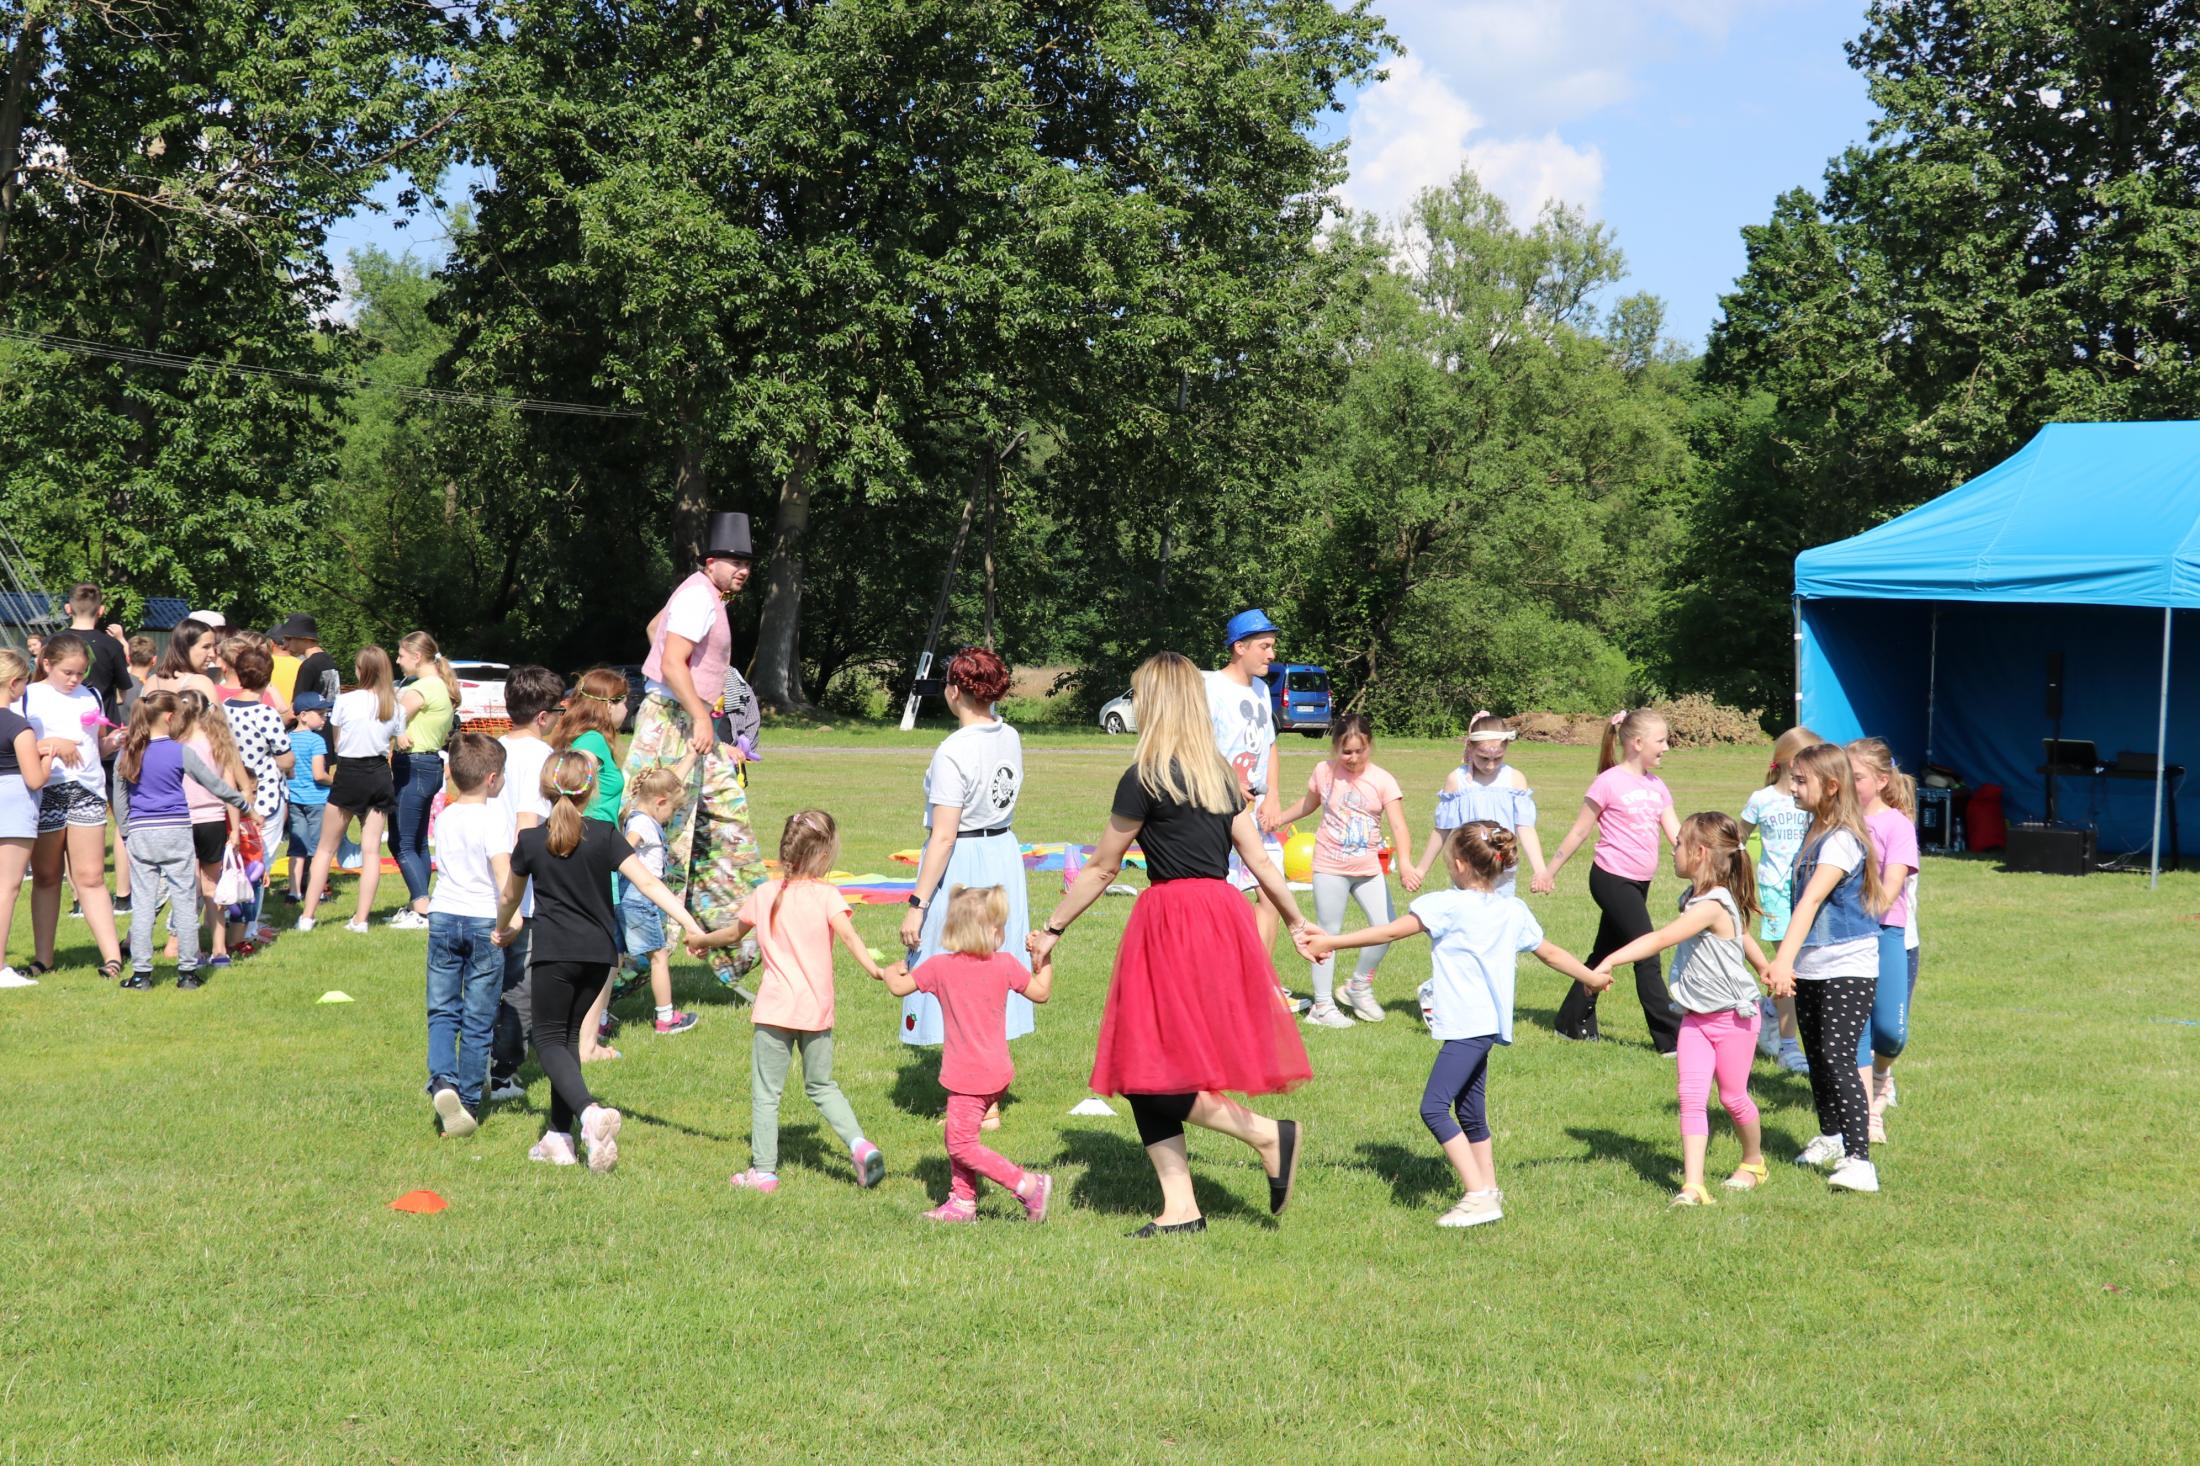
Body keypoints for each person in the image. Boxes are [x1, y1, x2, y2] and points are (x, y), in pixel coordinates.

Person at [1032, 651, 1312, 1239]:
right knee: (1150, 1068)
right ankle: (1181, 1208)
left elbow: (1102, 867)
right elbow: (1260, 859)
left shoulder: (1144, 777)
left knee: (1148, 1070)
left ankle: (1267, 1134)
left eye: (1138, 695)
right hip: (1221, 918)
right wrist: (1293, 921)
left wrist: (1052, 928)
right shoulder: (1218, 773)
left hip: (1173, 924)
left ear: (1157, 703)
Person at [1300, 821, 1603, 1228]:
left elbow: (1390, 932)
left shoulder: (1446, 905)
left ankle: (1477, 1196)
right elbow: (1550, 953)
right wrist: (1590, 976)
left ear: (1459, 864)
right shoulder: (1513, 909)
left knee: (1434, 1108)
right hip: (1487, 1026)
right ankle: (1489, 1189)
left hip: (1467, 1026)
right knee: (1470, 1111)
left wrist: (1331, 941)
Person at [493, 750, 703, 1171]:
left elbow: (510, 896)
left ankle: (588, 1113)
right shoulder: (605, 834)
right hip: (598, 956)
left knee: (548, 1040)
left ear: (545, 789)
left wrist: (503, 928)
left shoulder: (531, 840)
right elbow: (648, 883)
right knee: (568, 1039)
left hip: (555, 953)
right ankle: (558, 1137)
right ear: (591, 791)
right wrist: (690, 923)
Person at [690, 809, 897, 1194]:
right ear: (823, 855)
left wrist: (700, 940)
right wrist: (876, 970)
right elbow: (850, 938)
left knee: (767, 1094)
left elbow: (732, 935)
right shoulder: (827, 896)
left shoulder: (765, 894)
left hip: (774, 1011)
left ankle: (764, 1173)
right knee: (822, 1086)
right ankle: (860, 1145)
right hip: (816, 1012)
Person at [1593, 813, 1772, 1206]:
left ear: (1700, 853)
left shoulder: (1712, 904)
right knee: (1691, 1097)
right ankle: (1693, 1185)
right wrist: (1763, 966)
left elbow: (1661, 938)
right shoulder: (1696, 897)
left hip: (1734, 1019)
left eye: (1678, 844)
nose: (1672, 849)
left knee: (1733, 1098)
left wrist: (1610, 960)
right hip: (1695, 1020)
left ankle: (1754, 1161)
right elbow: (1742, 934)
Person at [620, 511, 768, 985]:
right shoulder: (698, 597)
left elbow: (655, 630)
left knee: (728, 826)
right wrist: (701, 715)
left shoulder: (701, 595)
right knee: (659, 840)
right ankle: (625, 969)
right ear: (711, 562)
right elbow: (670, 661)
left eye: (747, 562)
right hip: (672, 725)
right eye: (733, 561)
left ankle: (736, 943)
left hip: (686, 719)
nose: (742, 569)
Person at [896, 647, 1032, 1125]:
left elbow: (945, 835)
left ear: (954, 691)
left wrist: (917, 903)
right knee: (993, 974)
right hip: (1003, 855)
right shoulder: (1009, 734)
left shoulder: (954, 750)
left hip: (966, 863)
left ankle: (980, 1101)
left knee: (962, 976)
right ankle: (988, 1093)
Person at [879, 885, 1056, 1222]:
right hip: (996, 1073)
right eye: (1001, 926)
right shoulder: (1005, 964)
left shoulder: (939, 967)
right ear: (990, 931)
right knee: (959, 1135)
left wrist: (890, 971)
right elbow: (1042, 992)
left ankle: (1028, 1185)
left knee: (961, 1144)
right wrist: (1043, 959)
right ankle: (963, 1202)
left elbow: (899, 986)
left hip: (968, 1077)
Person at [1765, 743, 1890, 1195]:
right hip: (1814, 965)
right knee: (1818, 1056)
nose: (1792, 788)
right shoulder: (1813, 829)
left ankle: (1860, 1161)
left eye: (1802, 781)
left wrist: (1782, 960)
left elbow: (1813, 900)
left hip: (1847, 965)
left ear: (1832, 786)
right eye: (1792, 779)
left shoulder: (1840, 839)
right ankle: (1831, 1136)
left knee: (1838, 1056)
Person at [1536, 708, 1682, 1054]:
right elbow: (1579, 831)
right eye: (1661, 741)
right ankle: (1671, 1039)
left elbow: (1677, 834)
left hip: (1640, 882)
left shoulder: (1657, 786)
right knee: (1647, 953)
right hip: (1611, 879)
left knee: (1605, 953)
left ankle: (1571, 1021)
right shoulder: (1608, 782)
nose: (1666, 747)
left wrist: (1708, 863)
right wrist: (1548, 871)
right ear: (1637, 742)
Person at [1268, 711, 1416, 1028]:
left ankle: (1357, 985)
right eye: (1346, 752)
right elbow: (1308, 805)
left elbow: (1399, 826)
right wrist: (1278, 819)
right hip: (1329, 867)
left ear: (1369, 745)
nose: (1352, 758)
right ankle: (1322, 1006)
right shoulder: (1324, 772)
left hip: (1368, 870)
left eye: (1359, 751)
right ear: (1336, 747)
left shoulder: (1382, 780)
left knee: (1386, 928)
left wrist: (1404, 863)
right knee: (1327, 933)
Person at [113, 691, 252, 989]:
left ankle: (141, 974)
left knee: (143, 903)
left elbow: (119, 796)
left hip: (141, 833)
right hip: (176, 831)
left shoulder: (129, 751)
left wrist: (126, 831)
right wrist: (244, 804)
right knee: (185, 901)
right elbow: (214, 784)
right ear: (170, 717)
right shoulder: (180, 752)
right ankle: (187, 973)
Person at [425, 733, 514, 1139]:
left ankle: (443, 1080)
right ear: (492, 779)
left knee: (442, 1011)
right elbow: (504, 879)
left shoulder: (446, 816)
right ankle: (468, 1102)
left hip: (444, 915)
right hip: (483, 921)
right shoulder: (494, 819)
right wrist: (510, 921)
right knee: (478, 1018)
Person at [21, 632, 126, 979]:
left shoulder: (90, 695)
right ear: (46, 663)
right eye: (67, 672)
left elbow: (96, 746)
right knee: (47, 876)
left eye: (80, 673)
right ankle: (43, 958)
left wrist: (114, 742)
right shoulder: (28, 696)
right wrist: (52, 743)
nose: (74, 680)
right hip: (46, 790)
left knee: (91, 877)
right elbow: (16, 746)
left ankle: (112, 958)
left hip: (88, 790)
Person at [1205, 610, 1291, 1000]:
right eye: (1265, 646)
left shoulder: (1259, 688)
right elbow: (1198, 746)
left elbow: (1269, 745)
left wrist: (1273, 795)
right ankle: (1223, 984)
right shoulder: (1211, 689)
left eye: (1272, 646)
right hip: (1219, 808)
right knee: (1225, 900)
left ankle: (1260, 982)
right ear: (1240, 647)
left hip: (1257, 809)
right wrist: (1227, 783)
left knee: (1272, 891)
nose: (1272, 654)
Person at [488, 665, 564, 1103]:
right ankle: (501, 1072)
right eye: (557, 712)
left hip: (483, 883)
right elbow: (527, 827)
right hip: (520, 891)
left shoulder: (492, 748)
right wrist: (518, 894)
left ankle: (475, 1059)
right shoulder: (540, 757)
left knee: (487, 979)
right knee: (521, 982)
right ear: (542, 716)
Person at [551, 666, 631, 1058]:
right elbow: (567, 783)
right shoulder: (591, 742)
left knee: (603, 952)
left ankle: (578, 1035)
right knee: (604, 955)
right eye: (624, 700)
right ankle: (586, 1044)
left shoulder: (587, 737)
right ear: (608, 705)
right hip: (594, 854)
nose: (628, 708)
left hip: (591, 849)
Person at [298, 646, 403, 934]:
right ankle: (361, 920)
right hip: (379, 773)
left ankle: (307, 917)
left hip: (349, 772)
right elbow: (393, 741)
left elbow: (337, 741)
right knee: (371, 851)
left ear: (360, 670)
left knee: (325, 849)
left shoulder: (345, 701)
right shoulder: (394, 705)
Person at [1847, 738, 1916, 1144]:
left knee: (1890, 1032)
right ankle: (1868, 1115)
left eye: (1857, 777)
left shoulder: (1896, 825)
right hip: (1845, 937)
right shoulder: (1837, 822)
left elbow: (1892, 885)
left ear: (1881, 780)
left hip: (1886, 931)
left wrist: (1864, 912)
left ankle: (1882, 1074)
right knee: (1855, 1030)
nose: (1848, 783)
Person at [1740, 727, 1819, 1076]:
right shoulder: (1762, 800)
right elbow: (1738, 839)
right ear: (1790, 762)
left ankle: (1769, 1011)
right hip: (1775, 894)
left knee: (1805, 965)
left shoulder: (1814, 800)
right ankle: (1789, 1047)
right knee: (1788, 967)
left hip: (1808, 891)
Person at [1413, 712, 1546, 898]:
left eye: (1497, 758)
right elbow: (1442, 829)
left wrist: (1540, 870)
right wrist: (1421, 870)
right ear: (1470, 747)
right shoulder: (1457, 781)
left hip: (1501, 867)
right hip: (1468, 868)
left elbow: (1526, 828)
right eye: (1483, 758)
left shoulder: (1514, 780)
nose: (1490, 765)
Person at [217, 635, 294, 950]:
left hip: (231, 794)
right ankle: (248, 929)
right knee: (259, 865)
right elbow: (285, 757)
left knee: (234, 861)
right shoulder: (265, 713)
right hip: (264, 795)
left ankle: (229, 920)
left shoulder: (224, 708)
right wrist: (286, 767)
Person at [620, 765, 701, 1037]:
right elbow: (625, 847)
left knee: (615, 960)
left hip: (628, 898)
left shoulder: (636, 815)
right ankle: (666, 1018)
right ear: (660, 802)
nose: (672, 816)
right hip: (640, 898)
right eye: (673, 810)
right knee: (659, 957)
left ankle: (601, 1019)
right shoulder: (642, 823)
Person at [387, 631, 459, 929]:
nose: (398, 660)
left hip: (413, 766)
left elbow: (392, 719)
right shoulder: (440, 685)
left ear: (417, 657)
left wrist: (399, 731)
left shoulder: (423, 687)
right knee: (416, 840)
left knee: (401, 841)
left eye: (401, 655)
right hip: (429, 765)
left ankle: (422, 909)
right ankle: (419, 902)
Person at [177, 693, 253, 966]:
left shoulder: (176, 743)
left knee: (188, 889)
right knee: (213, 888)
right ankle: (220, 950)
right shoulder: (218, 743)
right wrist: (234, 829)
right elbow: (229, 788)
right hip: (213, 820)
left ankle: (192, 950)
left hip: (182, 820)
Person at [0, 649, 51, 987]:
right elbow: (34, 779)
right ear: (14, 683)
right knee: (7, 888)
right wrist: (49, 757)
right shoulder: (19, 726)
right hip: (14, 804)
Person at [283, 693, 334, 903]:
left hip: (294, 800)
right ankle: (318, 891)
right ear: (303, 715)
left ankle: (294, 892)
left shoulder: (286, 738)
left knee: (297, 847)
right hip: (317, 800)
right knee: (318, 849)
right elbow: (319, 775)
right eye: (320, 714)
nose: (325, 718)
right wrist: (335, 782)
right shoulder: (316, 740)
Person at [142, 619, 221, 703]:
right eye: (206, 647)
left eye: (213, 647)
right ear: (184, 648)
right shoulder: (201, 683)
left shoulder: (151, 681)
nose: (213, 654)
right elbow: (216, 712)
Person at [276, 614, 342, 707]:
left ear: (306, 638)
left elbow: (296, 708)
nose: (285, 645)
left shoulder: (308, 666)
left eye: (288, 639)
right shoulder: (329, 660)